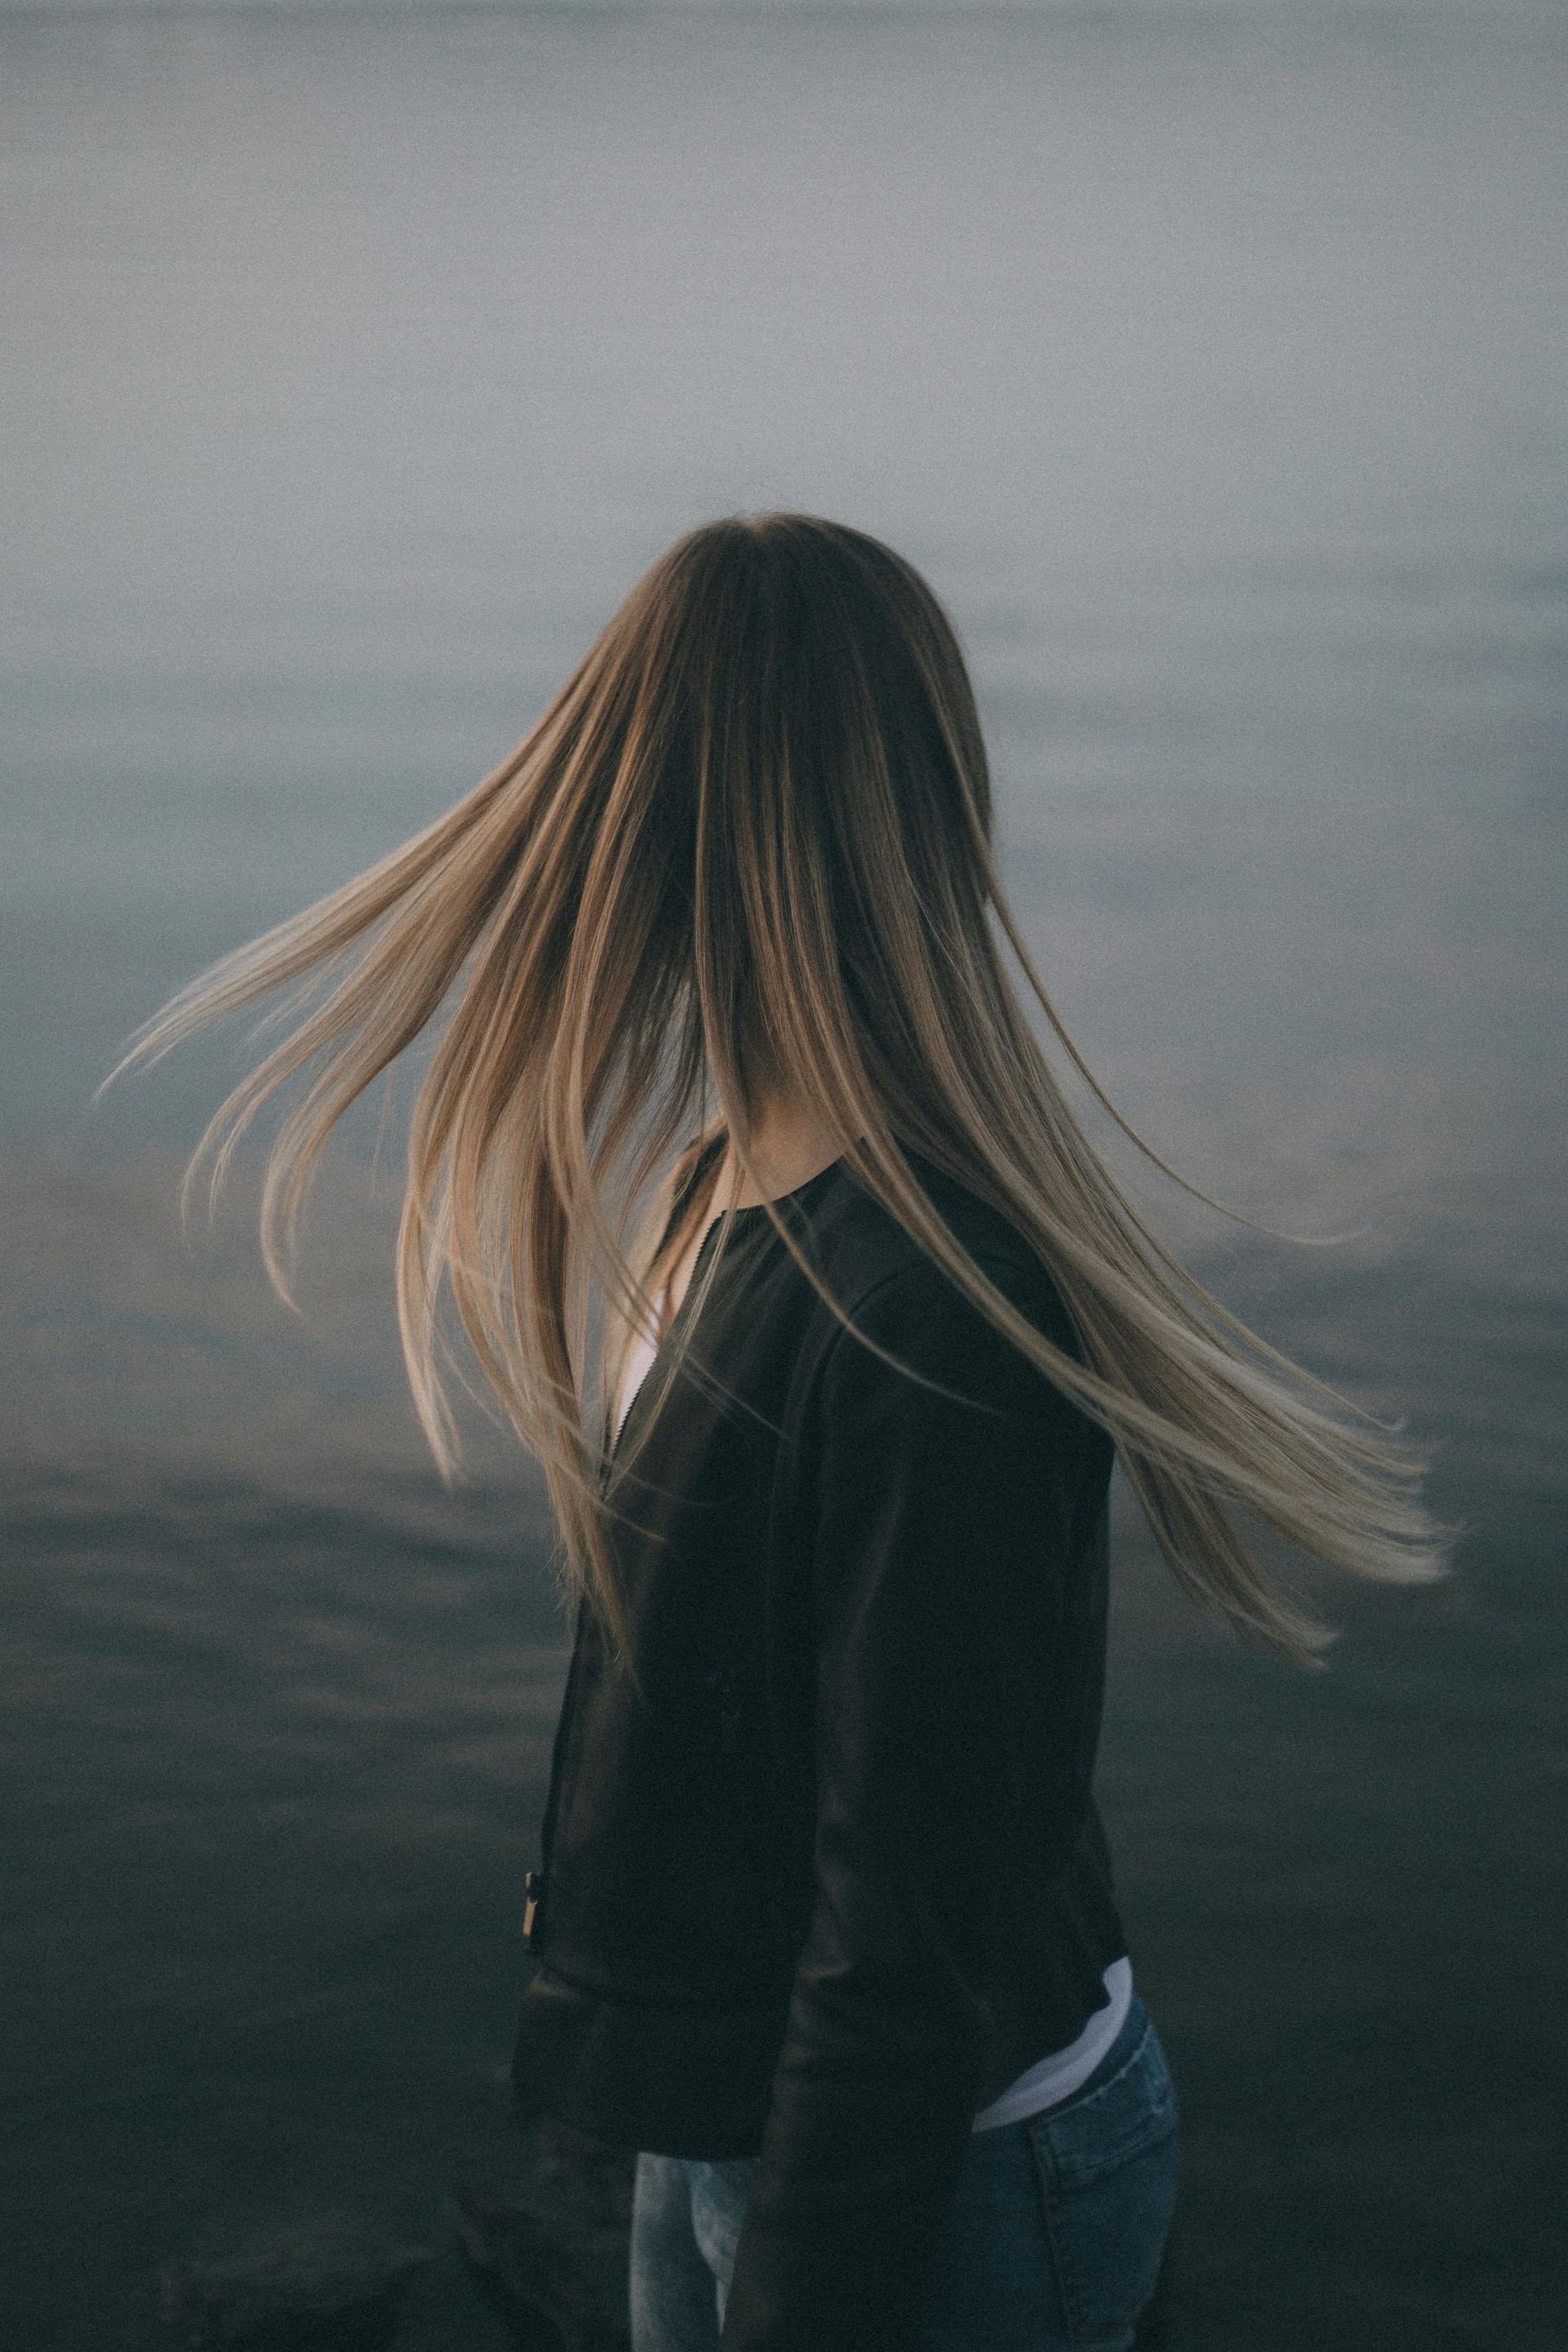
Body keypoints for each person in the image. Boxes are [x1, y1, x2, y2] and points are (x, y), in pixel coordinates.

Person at [105, 513, 1450, 2350]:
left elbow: (906, 1933)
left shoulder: (937, 1325)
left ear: (666, 824)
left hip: (942, 2176)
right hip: (745, 2123)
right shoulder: (712, 1192)